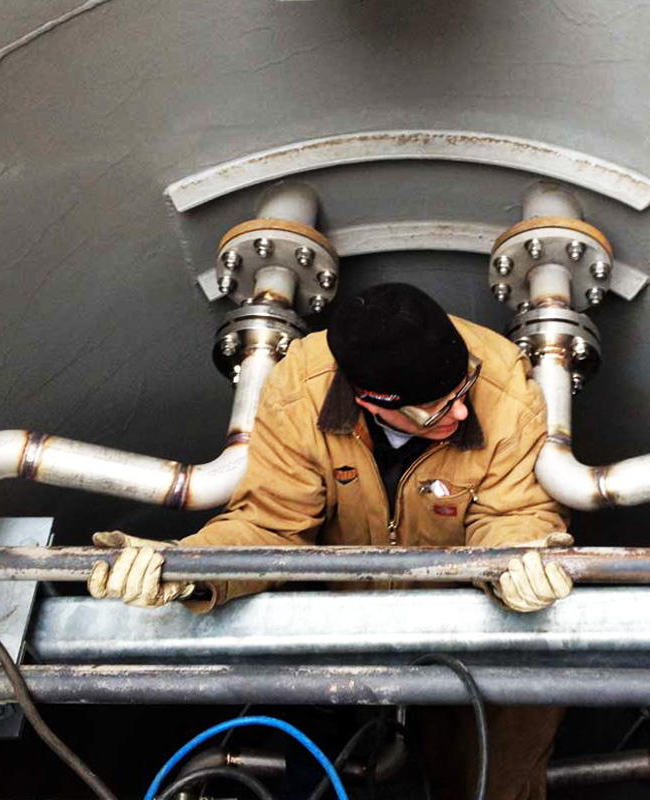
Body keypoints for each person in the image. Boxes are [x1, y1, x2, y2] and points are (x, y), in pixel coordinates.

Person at [88, 282, 573, 799]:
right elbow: (270, 524)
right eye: (434, 409)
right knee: (313, 775)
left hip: (467, 634)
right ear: (370, 401)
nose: (457, 415)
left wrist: (520, 565)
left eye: (461, 392)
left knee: (495, 776)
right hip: (335, 629)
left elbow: (513, 514)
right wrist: (185, 570)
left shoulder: (504, 388)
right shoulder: (300, 389)